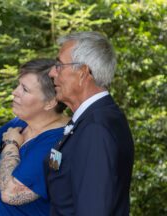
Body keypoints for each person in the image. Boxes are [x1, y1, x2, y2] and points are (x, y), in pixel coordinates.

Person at [0, 59, 69, 215]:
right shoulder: (22, 122)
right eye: (18, 85)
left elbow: (11, 194)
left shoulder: (61, 144)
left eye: (24, 89)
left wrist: (11, 144)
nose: (15, 92)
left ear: (50, 102)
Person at [45, 31, 134, 215]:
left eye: (59, 65)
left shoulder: (96, 128)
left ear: (83, 73)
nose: (52, 72)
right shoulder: (93, 119)